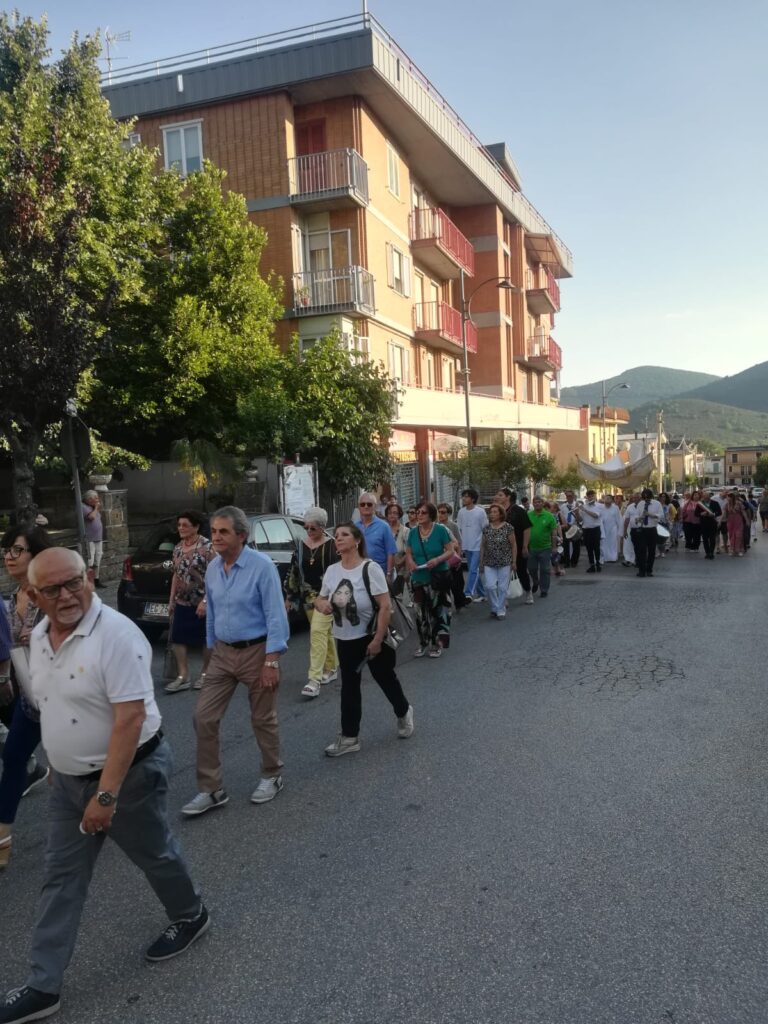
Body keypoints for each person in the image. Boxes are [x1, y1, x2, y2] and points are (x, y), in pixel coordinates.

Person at [0, 548, 207, 1024]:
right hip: (69, 781)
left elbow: (130, 718)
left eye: (74, 582)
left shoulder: (116, 635)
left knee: (153, 853)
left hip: (128, 775)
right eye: (51, 589)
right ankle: (42, 986)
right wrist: (60, 760)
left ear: (89, 577)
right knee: (61, 878)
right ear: (33, 595)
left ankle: (192, 914)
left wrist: (105, 795)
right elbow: (51, 705)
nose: (67, 595)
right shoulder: (37, 639)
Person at [182, 506, 289, 816]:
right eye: (214, 531)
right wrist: (211, 648)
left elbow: (275, 614)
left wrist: (271, 661)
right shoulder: (214, 567)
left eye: (223, 531)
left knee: (262, 719)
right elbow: (213, 609)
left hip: (257, 652)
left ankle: (272, 775)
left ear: (241, 535)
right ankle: (211, 789)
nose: (216, 537)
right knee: (203, 717)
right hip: (223, 653)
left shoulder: (262, 566)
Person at [316, 523, 413, 758]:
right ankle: (350, 737)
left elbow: (385, 606)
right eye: (336, 535)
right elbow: (319, 599)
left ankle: (403, 711)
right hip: (345, 638)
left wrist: (378, 639)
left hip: (371, 635)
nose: (338, 539)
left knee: (385, 679)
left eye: (344, 535)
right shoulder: (332, 571)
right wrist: (323, 605)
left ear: (357, 541)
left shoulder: (370, 569)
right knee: (349, 687)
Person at [0, 525, 53, 871]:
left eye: (16, 550)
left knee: (81, 764)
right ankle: (2, 839)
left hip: (68, 699)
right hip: (32, 701)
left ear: (35, 555)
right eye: (6, 550)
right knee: (14, 759)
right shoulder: (8, 600)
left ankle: (108, 799)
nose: (8, 556)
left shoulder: (53, 593)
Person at [284, 507, 338, 699]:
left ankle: (314, 679)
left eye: (313, 528)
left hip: (328, 597)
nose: (308, 531)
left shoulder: (333, 545)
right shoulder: (301, 546)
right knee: (325, 633)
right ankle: (331, 667)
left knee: (316, 632)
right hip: (308, 597)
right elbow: (294, 573)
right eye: (306, 527)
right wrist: (289, 597)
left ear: (322, 527)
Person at [165, 510, 215, 694]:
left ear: (196, 526)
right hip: (182, 601)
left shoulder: (208, 547)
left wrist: (206, 601)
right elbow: (176, 576)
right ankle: (183, 676)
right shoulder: (178, 547)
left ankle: (206, 673)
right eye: (179, 525)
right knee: (178, 637)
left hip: (202, 601)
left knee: (205, 638)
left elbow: (215, 576)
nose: (181, 528)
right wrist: (171, 601)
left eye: (185, 525)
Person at [406, 501, 454, 658]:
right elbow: (408, 553)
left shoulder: (440, 530)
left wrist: (438, 560)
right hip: (418, 577)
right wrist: (411, 562)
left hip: (437, 576)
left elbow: (450, 551)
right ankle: (423, 642)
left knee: (437, 612)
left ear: (431, 515)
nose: (419, 515)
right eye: (417, 512)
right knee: (420, 613)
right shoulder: (412, 532)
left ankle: (436, 644)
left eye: (423, 512)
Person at [479, 504, 516, 619]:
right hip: (489, 562)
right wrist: (481, 561)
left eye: (495, 512)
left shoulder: (508, 527)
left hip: (504, 561)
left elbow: (513, 545)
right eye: (491, 512)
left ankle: (500, 610)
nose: (492, 514)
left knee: (502, 587)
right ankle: (495, 606)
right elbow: (483, 546)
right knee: (490, 586)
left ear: (500, 514)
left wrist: (514, 561)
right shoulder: (486, 528)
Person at [495, 488, 532, 603]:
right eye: (498, 495)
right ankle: (503, 597)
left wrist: (525, 546)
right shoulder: (496, 511)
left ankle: (528, 591)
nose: (497, 497)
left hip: (519, 545)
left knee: (521, 570)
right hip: (501, 547)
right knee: (502, 572)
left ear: (508, 497)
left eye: (500, 495)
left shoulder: (518, 510)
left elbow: (527, 528)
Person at [437, 503, 470, 610]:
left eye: (443, 512)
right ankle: (445, 604)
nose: (440, 514)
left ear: (449, 514)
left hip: (453, 558)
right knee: (444, 583)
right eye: (439, 512)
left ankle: (459, 602)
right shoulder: (435, 526)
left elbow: (459, 542)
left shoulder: (453, 526)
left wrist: (459, 558)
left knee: (457, 583)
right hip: (441, 559)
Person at [456, 488, 487, 601]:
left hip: (478, 545)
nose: (464, 498)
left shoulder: (480, 511)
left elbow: (485, 529)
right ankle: (482, 594)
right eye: (463, 496)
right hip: (466, 545)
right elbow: (459, 529)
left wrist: (484, 545)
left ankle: (468, 593)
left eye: (466, 496)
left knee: (473, 569)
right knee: (473, 570)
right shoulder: (461, 512)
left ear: (473, 499)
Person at [355, 492, 396, 578]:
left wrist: (388, 574)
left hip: (379, 573)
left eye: (369, 504)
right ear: (359, 507)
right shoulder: (354, 527)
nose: (366, 506)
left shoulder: (384, 526)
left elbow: (391, 552)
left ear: (375, 506)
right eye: (362, 504)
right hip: (358, 573)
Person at [526, 496, 558, 600]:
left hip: (545, 547)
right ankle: (535, 581)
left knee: (545, 569)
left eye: (539, 502)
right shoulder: (528, 515)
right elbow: (525, 530)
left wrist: (554, 547)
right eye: (535, 502)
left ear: (542, 503)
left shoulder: (549, 516)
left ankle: (544, 590)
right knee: (531, 568)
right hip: (531, 548)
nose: (537, 504)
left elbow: (554, 533)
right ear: (533, 503)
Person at [632, 488, 664, 577]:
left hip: (652, 529)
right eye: (644, 497)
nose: (646, 499)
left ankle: (649, 569)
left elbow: (661, 516)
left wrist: (650, 515)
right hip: (642, 529)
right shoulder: (640, 504)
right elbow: (636, 516)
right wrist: (639, 518)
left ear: (651, 497)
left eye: (648, 497)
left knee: (651, 551)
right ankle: (641, 570)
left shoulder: (657, 504)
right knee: (641, 550)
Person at [385, 501, 411, 597]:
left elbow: (409, 552)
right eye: (389, 513)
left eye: (395, 513)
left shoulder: (405, 531)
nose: (392, 515)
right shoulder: (384, 529)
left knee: (397, 598)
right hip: (385, 569)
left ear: (399, 514)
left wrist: (400, 564)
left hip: (400, 570)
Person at [81, 490, 106, 588]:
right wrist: (96, 508)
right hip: (89, 539)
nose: (96, 500)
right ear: (88, 499)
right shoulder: (83, 507)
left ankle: (96, 580)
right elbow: (91, 517)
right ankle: (88, 581)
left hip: (98, 538)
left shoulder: (92, 507)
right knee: (90, 561)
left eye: (96, 497)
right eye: (94, 498)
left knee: (97, 560)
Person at [580, 490, 602, 572]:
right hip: (586, 530)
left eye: (592, 496)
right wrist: (577, 513)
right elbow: (580, 520)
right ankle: (592, 565)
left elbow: (596, 516)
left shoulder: (599, 506)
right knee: (589, 548)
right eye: (589, 496)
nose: (591, 498)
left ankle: (598, 564)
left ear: (595, 496)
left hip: (595, 529)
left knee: (596, 548)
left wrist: (585, 510)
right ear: (587, 497)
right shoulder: (584, 506)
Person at [559, 490, 583, 568]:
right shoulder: (563, 506)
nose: (569, 497)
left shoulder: (578, 505)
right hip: (566, 527)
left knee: (576, 546)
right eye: (567, 496)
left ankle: (574, 561)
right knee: (565, 546)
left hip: (575, 526)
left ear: (573, 496)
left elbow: (580, 519)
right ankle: (567, 562)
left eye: (570, 496)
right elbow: (561, 517)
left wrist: (577, 513)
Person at [697, 490, 721, 560]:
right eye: (704, 497)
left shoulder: (715, 503)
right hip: (703, 524)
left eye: (707, 496)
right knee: (705, 539)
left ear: (710, 497)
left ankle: (711, 552)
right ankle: (707, 553)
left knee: (712, 539)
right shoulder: (700, 504)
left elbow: (719, 512)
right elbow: (696, 513)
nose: (706, 498)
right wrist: (701, 514)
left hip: (712, 523)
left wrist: (713, 514)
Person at [724, 492, 749, 556]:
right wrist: (720, 521)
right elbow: (725, 514)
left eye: (729, 497)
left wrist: (747, 520)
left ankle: (739, 550)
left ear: (732, 498)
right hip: (730, 521)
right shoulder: (727, 504)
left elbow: (743, 512)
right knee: (731, 535)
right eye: (728, 497)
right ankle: (732, 550)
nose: (728, 498)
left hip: (738, 520)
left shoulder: (739, 503)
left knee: (738, 535)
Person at [600, 494, 623, 563]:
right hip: (603, 528)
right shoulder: (601, 507)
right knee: (604, 543)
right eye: (606, 498)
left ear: (612, 500)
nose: (607, 500)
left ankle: (613, 557)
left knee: (613, 543)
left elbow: (619, 519)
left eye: (609, 498)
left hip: (613, 528)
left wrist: (620, 530)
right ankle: (605, 557)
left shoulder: (615, 508)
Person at [622, 491, 640, 567]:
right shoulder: (630, 507)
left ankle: (638, 561)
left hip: (642, 530)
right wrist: (625, 531)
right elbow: (626, 519)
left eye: (637, 498)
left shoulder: (644, 507)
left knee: (639, 546)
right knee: (629, 545)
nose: (635, 499)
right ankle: (629, 560)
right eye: (634, 498)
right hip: (632, 529)